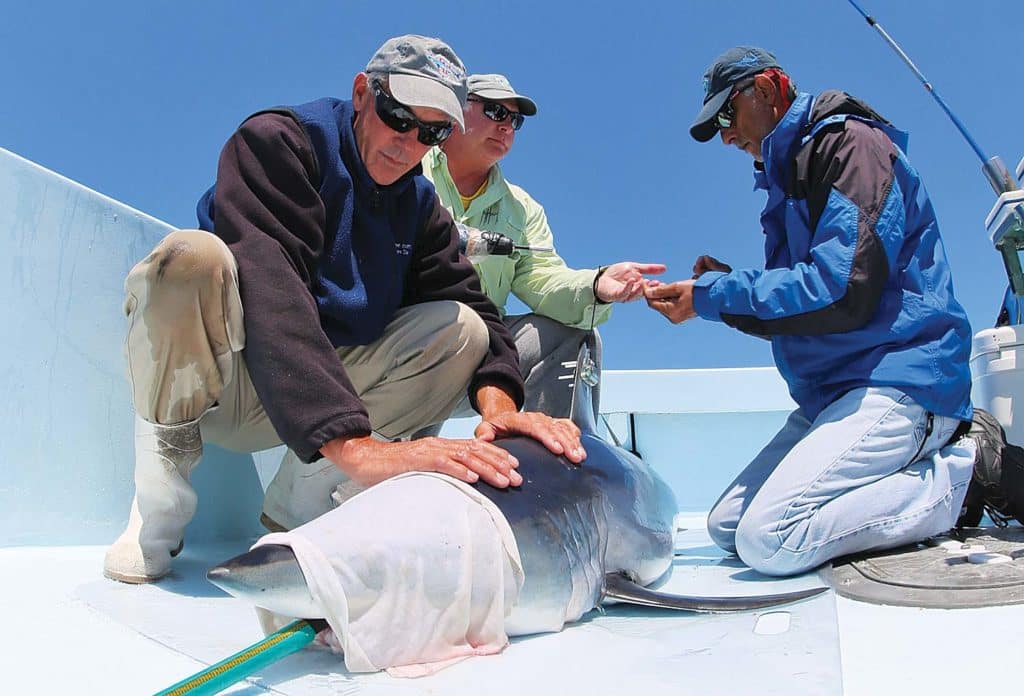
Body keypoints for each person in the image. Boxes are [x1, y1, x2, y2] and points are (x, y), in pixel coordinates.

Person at [103, 35, 585, 584]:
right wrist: (356, 448)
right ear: (362, 93)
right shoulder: (278, 143)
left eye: (431, 133)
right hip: (223, 390)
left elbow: (475, 303)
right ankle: (159, 508)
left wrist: (498, 408)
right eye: (399, 116)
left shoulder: (421, 208)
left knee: (463, 328)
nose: (409, 144)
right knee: (190, 259)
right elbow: (273, 293)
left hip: (320, 402)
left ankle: (296, 517)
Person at [644, 46, 976, 577]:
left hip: (900, 380)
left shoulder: (853, 147)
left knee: (770, 539)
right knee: (726, 527)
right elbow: (805, 305)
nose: (726, 135)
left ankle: (965, 478)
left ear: (770, 89)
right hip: (835, 392)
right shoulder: (790, 174)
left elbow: (843, 289)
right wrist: (724, 288)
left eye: (727, 114)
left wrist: (713, 297)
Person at [420, 73, 665, 419]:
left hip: (480, 358)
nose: (507, 126)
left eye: (515, 120)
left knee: (573, 332)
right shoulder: (407, 164)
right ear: (458, 110)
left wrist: (596, 285)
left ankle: (558, 461)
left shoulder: (522, 209)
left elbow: (544, 279)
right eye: (495, 112)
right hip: (398, 346)